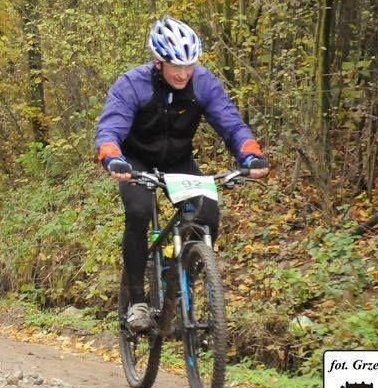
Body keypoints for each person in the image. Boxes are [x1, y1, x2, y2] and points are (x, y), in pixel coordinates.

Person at [95, 17, 270, 332]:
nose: (183, 73)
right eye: (176, 65)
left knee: (209, 214)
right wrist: (112, 156)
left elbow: (230, 123)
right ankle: (137, 301)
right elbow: (111, 126)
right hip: (135, 159)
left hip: (178, 160)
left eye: (189, 65)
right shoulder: (133, 84)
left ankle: (181, 273)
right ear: (158, 62)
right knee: (138, 211)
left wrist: (251, 154)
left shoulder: (203, 83)